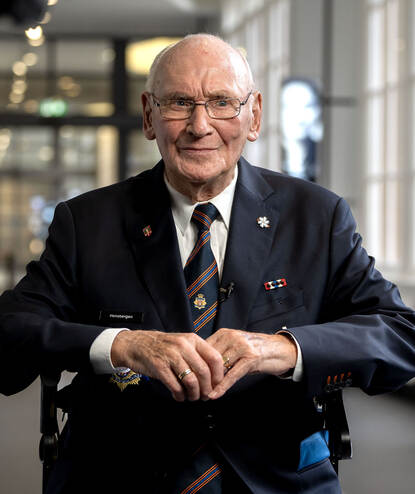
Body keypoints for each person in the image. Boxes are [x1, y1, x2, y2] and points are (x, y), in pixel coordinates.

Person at [1, 33, 415, 494]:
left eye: (222, 102)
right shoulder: (87, 222)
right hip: (120, 474)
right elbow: (10, 332)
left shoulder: (317, 217)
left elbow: (401, 336)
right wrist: (121, 345)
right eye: (180, 102)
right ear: (148, 115)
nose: (200, 125)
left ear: (254, 115)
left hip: (277, 476)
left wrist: (285, 349)